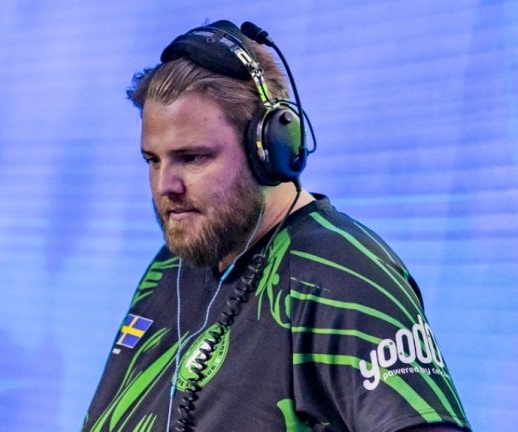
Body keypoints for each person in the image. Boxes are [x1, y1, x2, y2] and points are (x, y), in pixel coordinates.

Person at [82, 21, 468, 432]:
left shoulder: (343, 275)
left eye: (192, 157)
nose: (166, 186)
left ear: (269, 149)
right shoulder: (176, 261)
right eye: (153, 160)